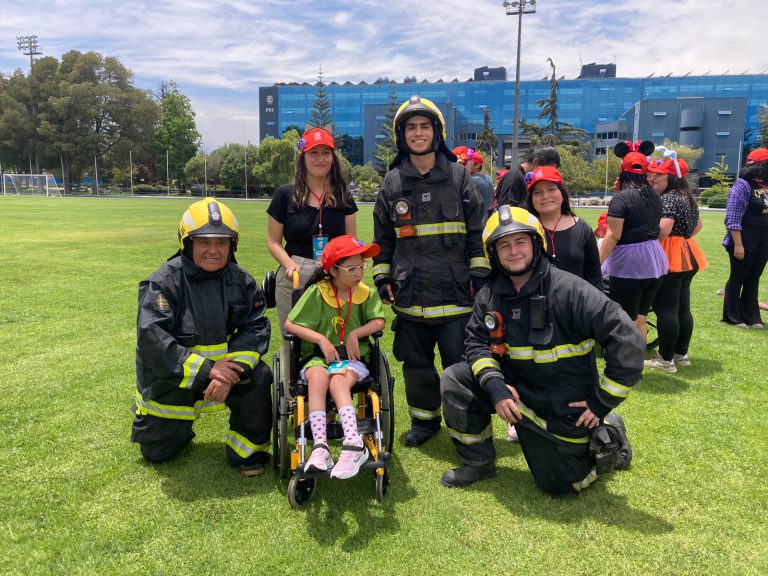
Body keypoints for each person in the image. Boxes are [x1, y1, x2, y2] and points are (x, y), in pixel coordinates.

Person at [440, 206, 643, 495]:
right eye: (504, 245)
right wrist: (495, 387)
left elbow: (627, 340)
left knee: (561, 486)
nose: (513, 252)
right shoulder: (489, 295)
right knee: (455, 379)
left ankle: (610, 433)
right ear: (493, 254)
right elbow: (476, 343)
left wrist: (601, 403)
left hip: (564, 402)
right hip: (516, 391)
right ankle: (478, 463)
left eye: (520, 242)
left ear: (537, 244)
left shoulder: (571, 290)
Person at [373, 95, 489, 448]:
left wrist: (479, 276)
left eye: (425, 126)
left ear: (437, 132)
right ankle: (424, 423)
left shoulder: (458, 176)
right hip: (411, 298)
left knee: (460, 366)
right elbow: (382, 241)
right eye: (411, 127)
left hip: (457, 298)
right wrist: (382, 277)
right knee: (416, 366)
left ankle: (467, 426)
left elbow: (477, 232)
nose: (418, 133)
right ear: (401, 136)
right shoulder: (391, 184)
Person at [132, 198, 273, 476]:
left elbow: (256, 328)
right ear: (187, 243)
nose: (213, 250)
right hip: (177, 378)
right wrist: (209, 372)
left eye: (221, 243)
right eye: (204, 242)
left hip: (229, 376)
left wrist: (231, 371)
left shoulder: (242, 281)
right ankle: (170, 430)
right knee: (157, 453)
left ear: (232, 245)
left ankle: (247, 452)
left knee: (260, 376)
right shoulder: (163, 283)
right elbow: (154, 341)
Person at [284, 235, 386, 479]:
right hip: (318, 358)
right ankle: (321, 447)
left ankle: (353, 442)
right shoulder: (317, 293)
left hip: (353, 360)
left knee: (338, 379)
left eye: (362, 266)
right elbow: (290, 324)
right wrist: (320, 339)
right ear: (332, 270)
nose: (358, 273)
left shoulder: (365, 293)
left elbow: (379, 321)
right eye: (351, 268)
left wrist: (356, 334)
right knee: (318, 378)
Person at [266, 126, 358, 331]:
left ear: (333, 158)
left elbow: (350, 241)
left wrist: (349, 270)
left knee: (334, 334)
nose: (320, 158)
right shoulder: (284, 195)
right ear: (302, 157)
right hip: (295, 275)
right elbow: (273, 242)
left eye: (326, 153)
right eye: (313, 153)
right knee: (293, 341)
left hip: (334, 273)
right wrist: (288, 263)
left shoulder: (343, 195)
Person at [645, 151, 708, 372]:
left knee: (666, 310)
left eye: (659, 177)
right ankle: (681, 355)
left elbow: (663, 230)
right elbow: (698, 225)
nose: (654, 179)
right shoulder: (687, 196)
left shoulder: (669, 198)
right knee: (683, 308)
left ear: (670, 178)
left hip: (670, 255)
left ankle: (665, 360)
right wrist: (684, 237)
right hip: (688, 253)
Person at [599, 141, 668, 341]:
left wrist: (595, 265)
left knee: (624, 319)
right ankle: (637, 364)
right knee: (640, 318)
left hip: (629, 265)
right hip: (655, 262)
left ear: (622, 170)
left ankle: (625, 366)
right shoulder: (654, 196)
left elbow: (613, 235)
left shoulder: (622, 199)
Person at [525, 165, 602, 289]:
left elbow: (594, 274)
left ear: (562, 193)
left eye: (551, 189)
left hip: (576, 304)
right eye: (537, 192)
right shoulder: (526, 229)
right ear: (531, 199)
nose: (545, 196)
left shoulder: (582, 229)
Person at [721, 147, 768, 329]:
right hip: (742, 238)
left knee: (754, 277)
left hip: (763, 239)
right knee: (738, 276)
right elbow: (732, 219)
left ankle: (752, 315)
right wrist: (738, 245)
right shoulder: (742, 186)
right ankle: (733, 316)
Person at [494, 146, 561, 209]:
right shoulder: (514, 177)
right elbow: (506, 210)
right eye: (547, 171)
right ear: (535, 162)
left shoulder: (525, 178)